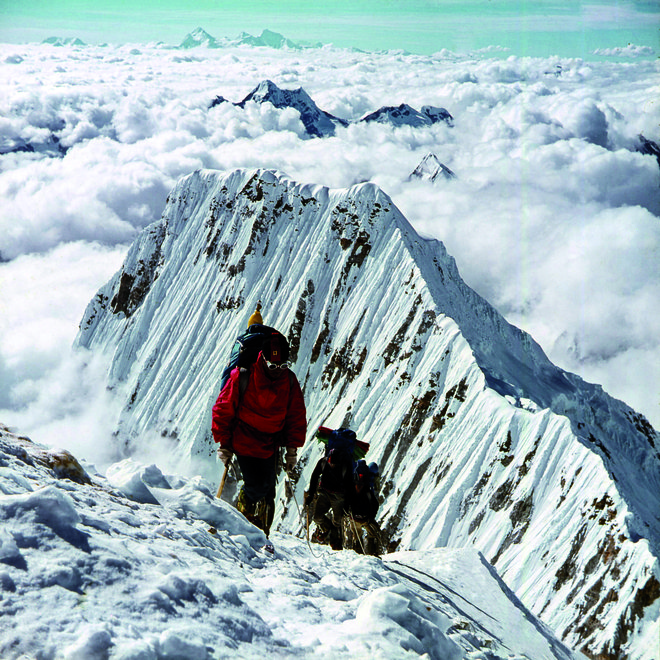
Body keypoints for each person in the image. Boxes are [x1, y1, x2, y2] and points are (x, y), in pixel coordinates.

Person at [211, 309, 307, 537]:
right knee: (255, 487)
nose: (277, 372)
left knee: (268, 494)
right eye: (273, 367)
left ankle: (262, 535)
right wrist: (224, 442)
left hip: (270, 444)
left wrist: (292, 449)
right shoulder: (244, 375)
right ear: (262, 359)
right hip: (244, 440)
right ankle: (243, 525)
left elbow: (295, 416)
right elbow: (224, 408)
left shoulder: (289, 381)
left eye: (282, 366)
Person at [304, 447, 354, 550]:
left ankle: (335, 543)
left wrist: (347, 503)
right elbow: (314, 477)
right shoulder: (323, 462)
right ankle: (328, 529)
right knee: (317, 518)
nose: (332, 465)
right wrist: (311, 494)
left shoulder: (345, 466)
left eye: (334, 463)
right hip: (325, 493)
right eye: (331, 462)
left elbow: (350, 486)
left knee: (337, 521)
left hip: (339, 496)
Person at [343, 460, 382, 556]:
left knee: (356, 534)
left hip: (354, 518)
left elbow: (345, 502)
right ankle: (373, 553)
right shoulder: (367, 490)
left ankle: (357, 553)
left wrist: (347, 512)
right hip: (365, 518)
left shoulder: (351, 489)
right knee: (374, 533)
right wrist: (370, 517)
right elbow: (375, 504)